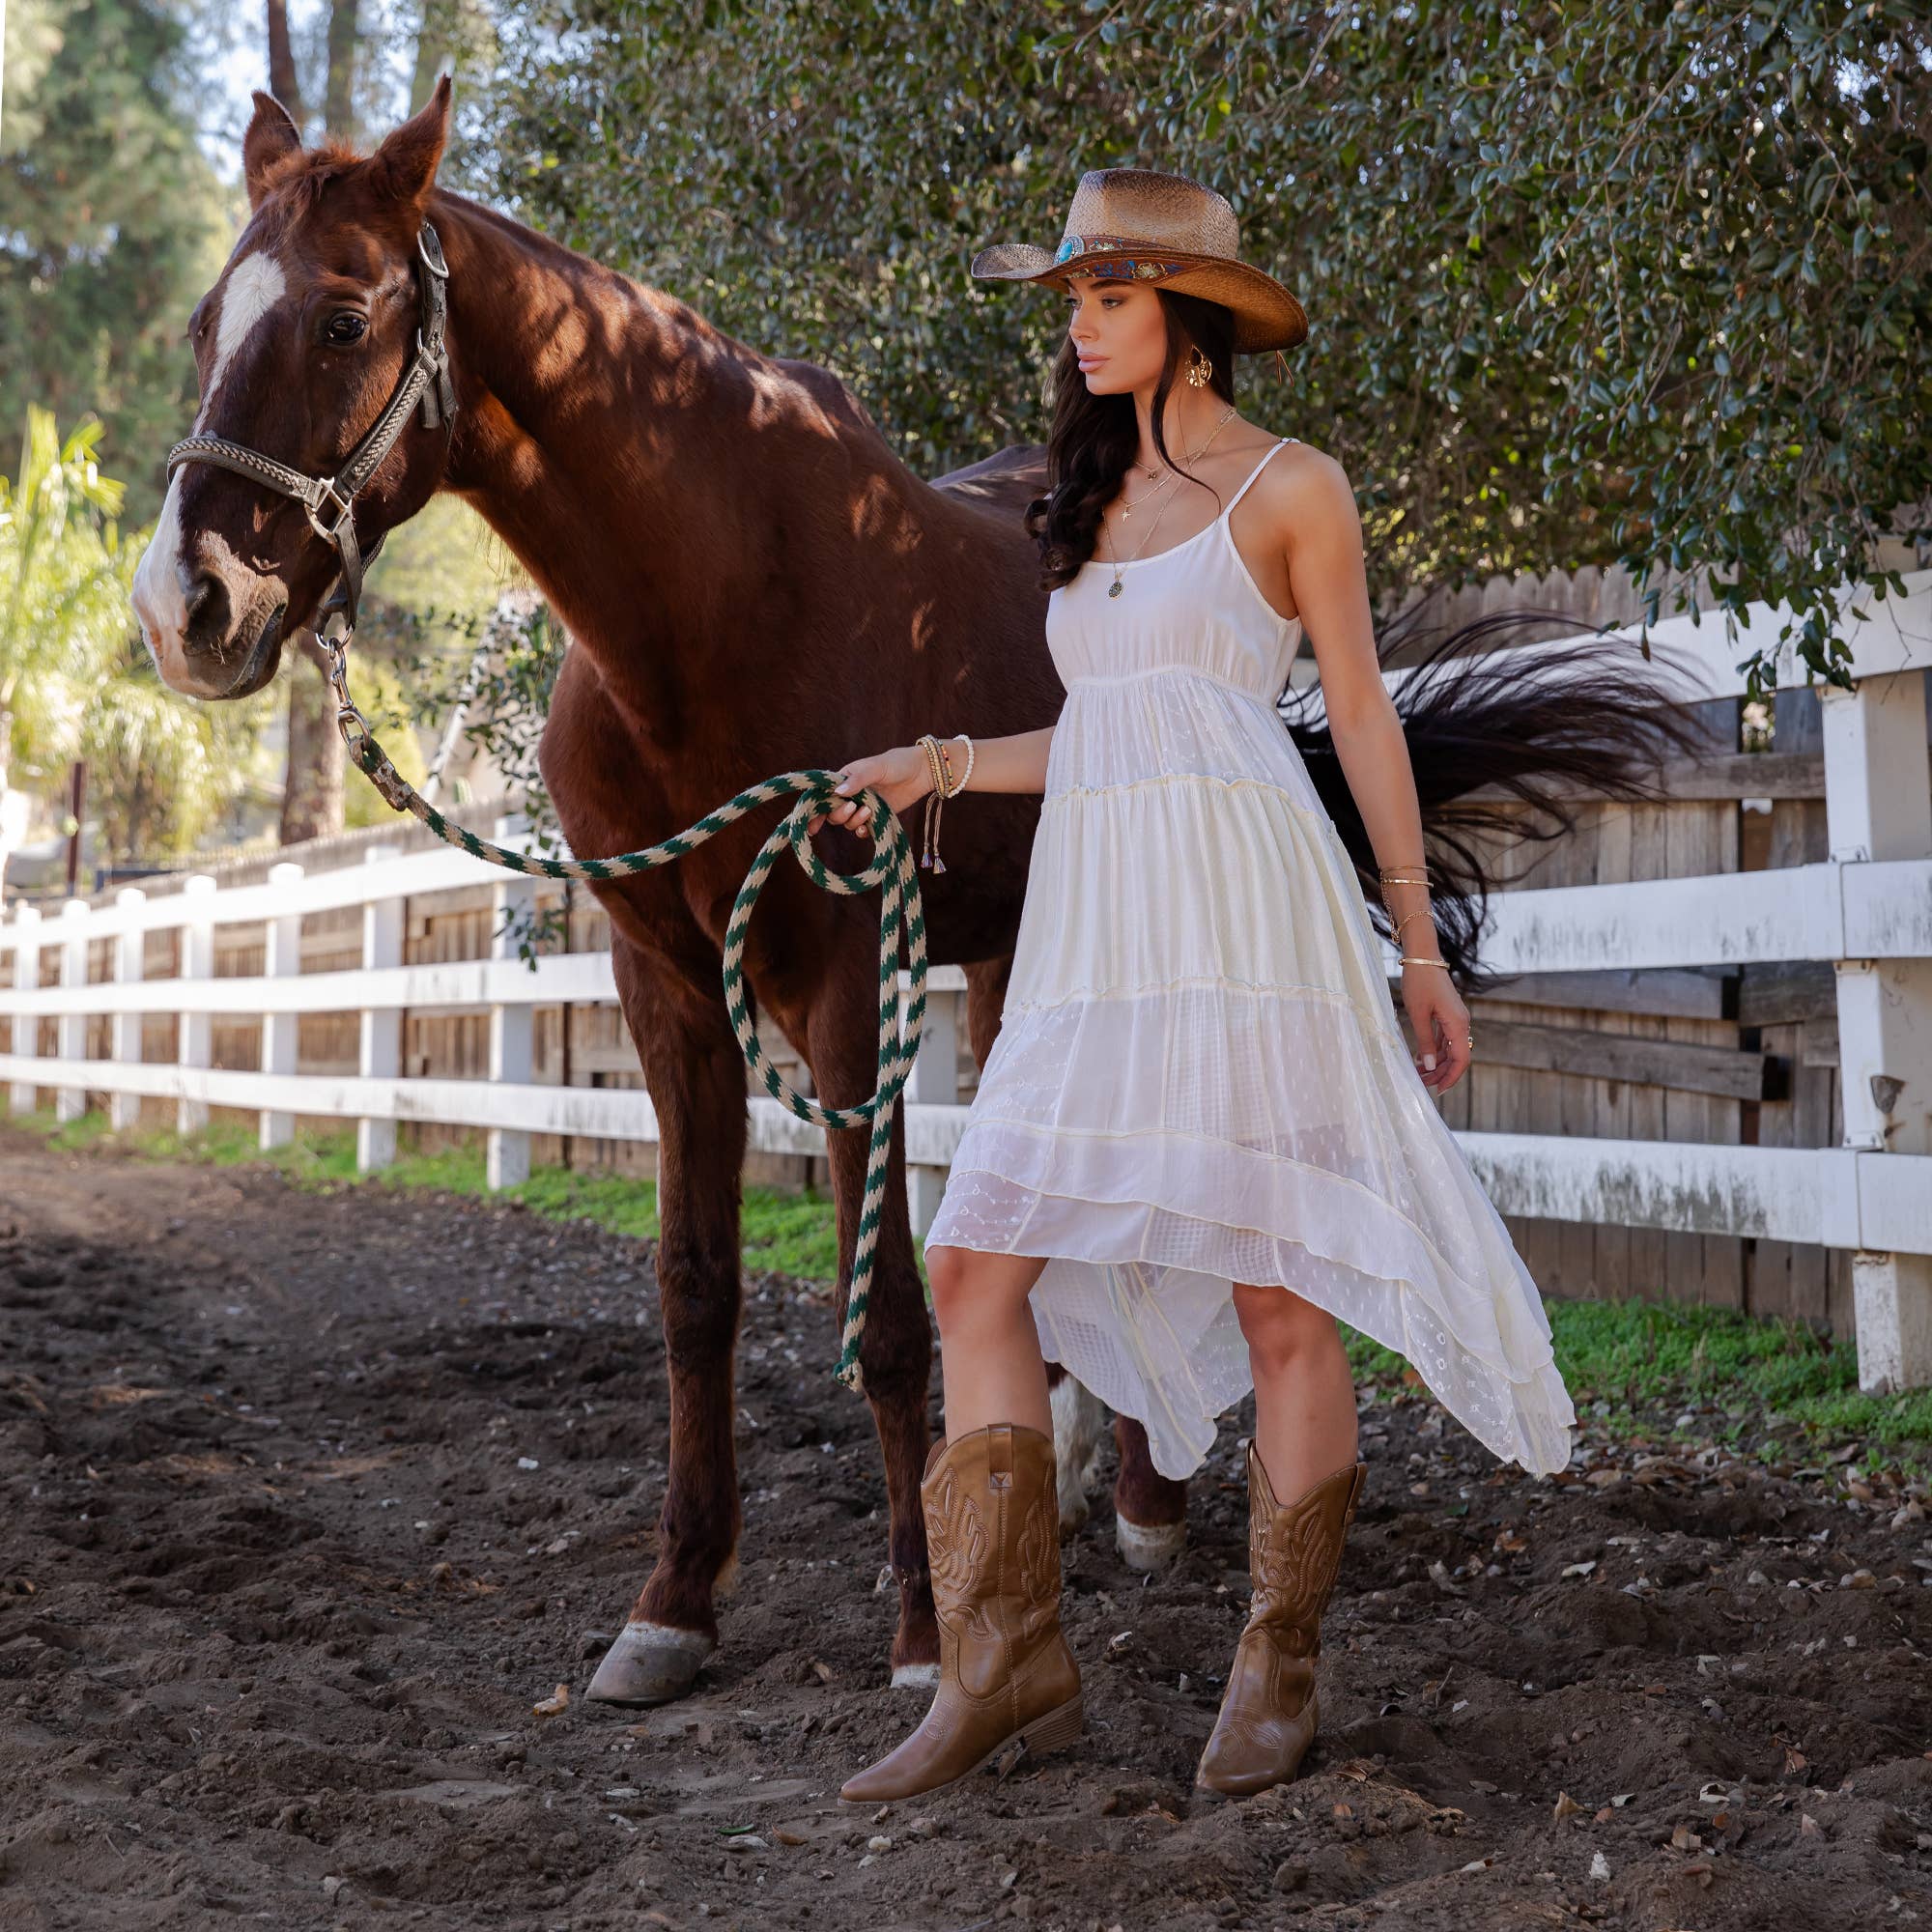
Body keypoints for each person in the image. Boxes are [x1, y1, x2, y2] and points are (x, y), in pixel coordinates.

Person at [805, 167, 1577, 1806]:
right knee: (972, 1272)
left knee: (1281, 1292)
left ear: (1188, 316)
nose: (1077, 333)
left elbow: (1357, 723)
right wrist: (930, 762)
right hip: (1098, 936)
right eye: (1073, 305)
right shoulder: (1078, 507)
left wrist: (1416, 945)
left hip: (1248, 920)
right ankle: (1008, 1663)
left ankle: (1278, 1661)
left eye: (1107, 300)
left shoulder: (1295, 490)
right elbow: (1106, 729)